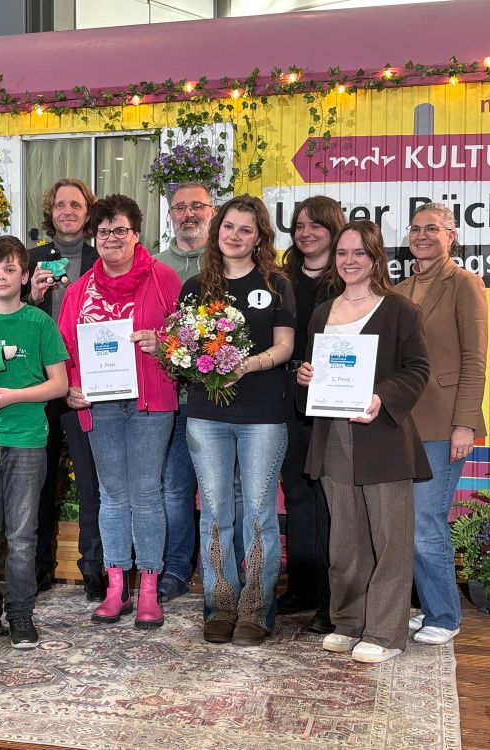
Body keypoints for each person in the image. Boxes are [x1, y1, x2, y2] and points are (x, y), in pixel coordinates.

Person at [297, 220, 431, 664]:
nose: (349, 261)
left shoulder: (400, 310)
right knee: (344, 539)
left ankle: (386, 632)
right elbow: (313, 374)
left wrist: (381, 397)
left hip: (382, 436)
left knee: (391, 538)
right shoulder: (322, 313)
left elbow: (417, 370)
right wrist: (305, 376)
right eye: (342, 253)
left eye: (359, 253)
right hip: (333, 434)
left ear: (376, 258)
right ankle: (348, 621)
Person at [58, 194, 181, 629]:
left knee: (146, 494)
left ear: (136, 234)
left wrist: (162, 344)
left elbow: (189, 340)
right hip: (100, 404)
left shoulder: (164, 279)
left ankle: (148, 587)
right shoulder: (78, 290)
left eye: (120, 230)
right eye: (104, 231)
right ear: (94, 236)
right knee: (111, 496)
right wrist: (71, 386)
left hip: (151, 402)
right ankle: (116, 587)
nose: (112, 238)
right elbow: (63, 348)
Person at [182, 195, 296, 647]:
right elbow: (183, 347)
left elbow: (285, 346)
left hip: (263, 416)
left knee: (258, 514)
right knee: (214, 513)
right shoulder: (195, 287)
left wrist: (247, 365)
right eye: (229, 226)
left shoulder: (276, 284)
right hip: (206, 416)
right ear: (218, 230)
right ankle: (220, 606)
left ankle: (256, 610)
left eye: (246, 230)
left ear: (259, 237)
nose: (235, 235)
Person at [0, 236, 69, 649]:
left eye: (9, 270)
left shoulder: (39, 323)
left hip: (26, 440)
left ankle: (21, 613)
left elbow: (59, 385)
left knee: (22, 535)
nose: (1, 277)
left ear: (24, 276)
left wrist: (13, 396)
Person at [396, 202, 487, 646]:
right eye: (416, 228)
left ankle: (446, 616)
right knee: (409, 522)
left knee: (426, 520)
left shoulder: (465, 283)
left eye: (432, 228)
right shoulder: (398, 289)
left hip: (444, 422)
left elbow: (474, 358)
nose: (422, 235)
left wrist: (464, 423)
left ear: (451, 236)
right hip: (400, 422)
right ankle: (431, 608)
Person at [26, 177, 105, 600]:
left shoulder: (101, 257)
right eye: (60, 205)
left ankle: (93, 568)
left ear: (88, 212)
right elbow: (14, 320)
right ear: (50, 212)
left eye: (76, 204)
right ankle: (38, 569)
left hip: (84, 386)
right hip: (39, 386)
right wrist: (34, 297)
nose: (68, 211)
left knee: (91, 483)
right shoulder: (31, 259)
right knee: (38, 482)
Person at [276, 196, 346, 634]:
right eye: (299, 226)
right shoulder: (279, 279)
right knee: (298, 493)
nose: (306, 233)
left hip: (333, 399)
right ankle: (301, 586)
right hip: (287, 397)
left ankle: (331, 596)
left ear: (334, 228)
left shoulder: (348, 277)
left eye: (315, 225)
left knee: (329, 497)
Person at [151, 182, 215, 603]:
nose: (188, 214)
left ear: (212, 211)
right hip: (170, 401)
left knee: (221, 491)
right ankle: (176, 568)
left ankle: (221, 569)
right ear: (170, 214)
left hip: (219, 402)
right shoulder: (155, 265)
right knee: (174, 489)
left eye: (197, 206)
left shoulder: (226, 260)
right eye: (180, 207)